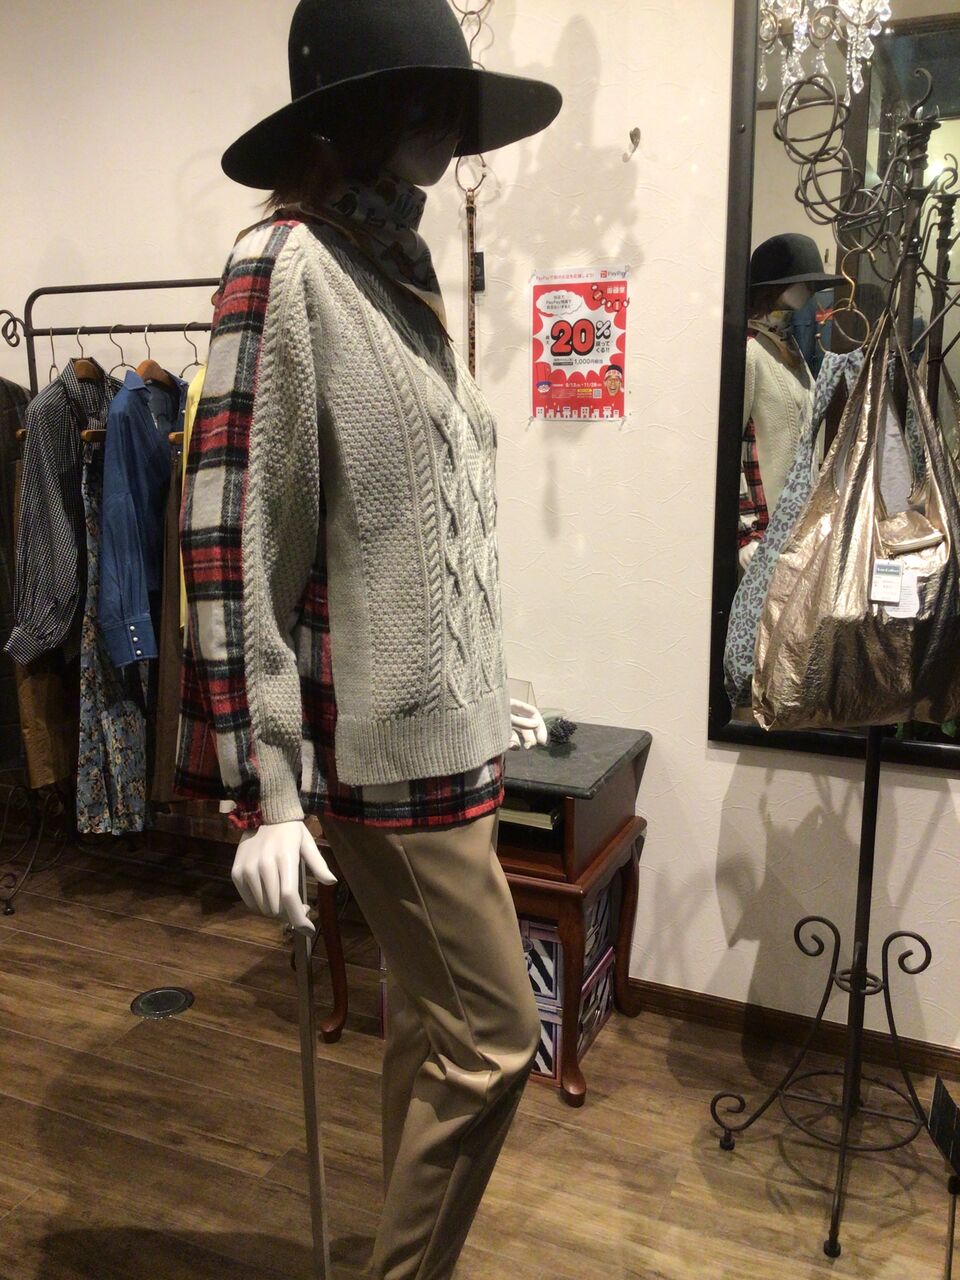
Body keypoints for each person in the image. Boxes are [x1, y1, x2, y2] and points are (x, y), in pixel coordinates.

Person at [175, 2, 562, 1277]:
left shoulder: (394, 273)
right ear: (349, 116)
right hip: (382, 757)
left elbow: (414, 525)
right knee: (494, 1039)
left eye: (452, 101)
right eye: (419, 97)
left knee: (434, 1034)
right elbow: (235, 536)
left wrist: (486, 684)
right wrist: (266, 787)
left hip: (452, 743)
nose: (447, 125)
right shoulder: (284, 267)